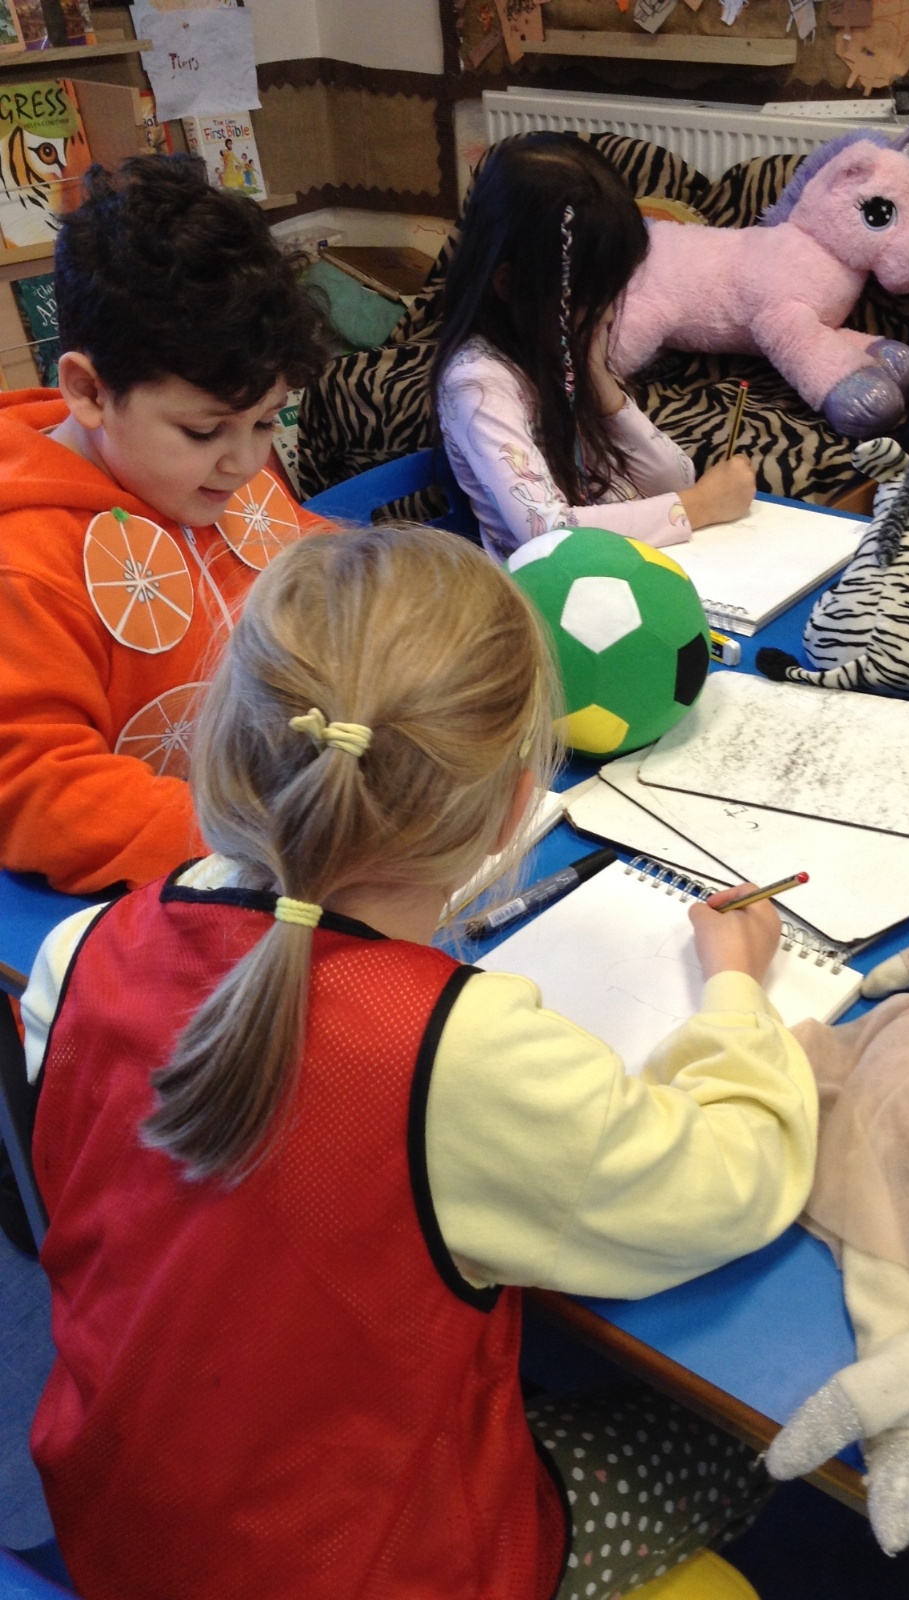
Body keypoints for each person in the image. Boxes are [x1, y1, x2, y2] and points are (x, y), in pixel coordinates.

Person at [24, 521, 820, 1600]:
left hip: (117, 1526)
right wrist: (738, 996)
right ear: (511, 812)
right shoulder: (462, 1055)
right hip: (364, 1571)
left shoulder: (76, 955)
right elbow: (732, 1184)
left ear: (225, 748)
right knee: (746, 1445)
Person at [0, 155, 331, 895]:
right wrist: (269, 842)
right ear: (89, 391)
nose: (247, 462)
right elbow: (42, 789)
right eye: (204, 431)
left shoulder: (209, 475)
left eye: (266, 422)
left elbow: (311, 560)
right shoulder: (23, 565)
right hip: (170, 900)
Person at [431, 133, 757, 563]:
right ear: (510, 285)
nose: (609, 315)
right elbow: (548, 533)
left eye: (613, 292)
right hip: (544, 591)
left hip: (614, 571)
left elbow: (674, 480)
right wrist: (701, 505)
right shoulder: (478, 383)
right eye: (591, 298)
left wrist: (602, 385)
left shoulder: (559, 352)